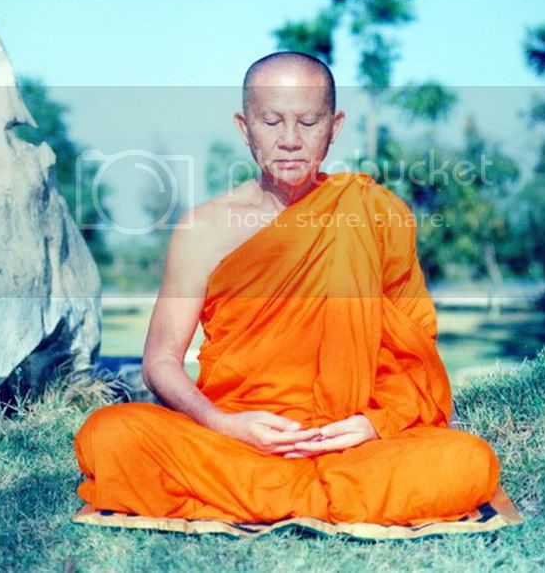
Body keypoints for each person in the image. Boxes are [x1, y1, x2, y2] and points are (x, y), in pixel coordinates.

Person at [73, 51, 501, 525]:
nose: (291, 140)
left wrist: (373, 424)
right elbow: (160, 362)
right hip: (236, 439)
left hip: (348, 444)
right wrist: (222, 422)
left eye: (308, 122)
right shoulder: (203, 230)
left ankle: (269, 497)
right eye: (272, 121)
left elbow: (414, 354)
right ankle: (326, 499)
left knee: (468, 461)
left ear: (334, 127)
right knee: (108, 434)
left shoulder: (374, 213)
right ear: (244, 127)